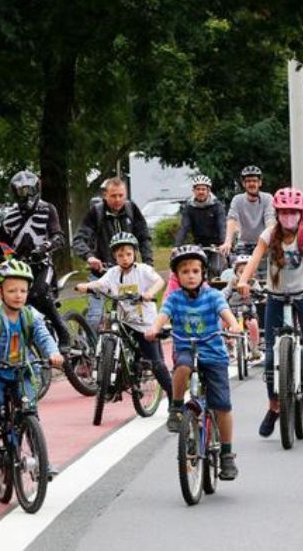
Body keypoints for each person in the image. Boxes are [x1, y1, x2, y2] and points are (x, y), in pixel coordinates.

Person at [237, 188, 303, 434]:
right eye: (283, 213)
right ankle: (274, 407)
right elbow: (254, 259)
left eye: (293, 213)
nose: (288, 217)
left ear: (300, 214)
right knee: (272, 356)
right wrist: (243, 280)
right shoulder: (269, 235)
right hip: (275, 297)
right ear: (277, 213)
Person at [146, 246, 243, 480]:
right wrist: (154, 328)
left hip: (213, 353)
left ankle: (227, 455)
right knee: (183, 367)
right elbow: (163, 315)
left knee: (222, 406)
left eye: (195, 271)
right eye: (185, 271)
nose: (190, 275)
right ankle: (177, 407)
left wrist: (233, 325)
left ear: (203, 274)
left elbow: (225, 312)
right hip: (186, 348)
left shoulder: (213, 296)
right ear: (177, 276)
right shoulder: (175, 298)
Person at [75, 233, 175, 429]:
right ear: (115, 257)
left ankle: (174, 399)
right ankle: (111, 377)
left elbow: (159, 282)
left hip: (144, 324)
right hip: (125, 322)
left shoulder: (143, 270)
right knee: (109, 330)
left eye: (128, 254)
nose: (125, 258)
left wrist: (148, 294)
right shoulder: (113, 273)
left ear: (134, 254)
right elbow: (101, 284)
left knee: (156, 363)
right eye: (120, 255)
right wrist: (86, 286)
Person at [0, 260, 63, 460]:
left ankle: (40, 459)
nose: (18, 295)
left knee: (30, 407)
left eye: (23, 290)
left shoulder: (31, 315)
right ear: (0, 292)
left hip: (23, 371)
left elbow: (44, 337)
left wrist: (53, 353)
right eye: (12, 291)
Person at [0, 170, 71, 354]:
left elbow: (59, 237)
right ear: (14, 193)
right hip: (19, 270)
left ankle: (63, 331)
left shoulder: (47, 209)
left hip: (44, 266)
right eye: (21, 191)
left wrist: (44, 248)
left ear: (37, 188)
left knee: (38, 294)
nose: (26, 195)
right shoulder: (9, 218)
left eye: (29, 190)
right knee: (12, 301)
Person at [73, 177, 154, 331]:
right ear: (105, 195)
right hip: (102, 274)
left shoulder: (132, 210)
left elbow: (144, 238)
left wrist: (148, 265)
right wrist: (89, 256)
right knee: (96, 316)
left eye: (121, 195)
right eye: (113, 196)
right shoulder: (96, 213)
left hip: (130, 273)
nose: (118, 199)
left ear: (126, 194)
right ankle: (91, 351)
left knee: (135, 317)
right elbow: (78, 239)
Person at [219, 165, 276, 258]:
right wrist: (228, 242)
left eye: (254, 181)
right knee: (240, 269)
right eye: (248, 181)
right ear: (243, 184)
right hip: (244, 244)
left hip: (263, 243)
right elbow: (231, 220)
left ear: (260, 183)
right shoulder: (237, 200)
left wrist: (269, 239)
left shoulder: (267, 198)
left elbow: (270, 220)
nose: (251, 184)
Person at [219, 254, 262, 361]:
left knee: (253, 325)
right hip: (232, 312)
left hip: (248, 313)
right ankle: (226, 344)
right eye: (241, 272)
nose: (244, 275)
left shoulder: (253, 283)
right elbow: (225, 292)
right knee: (220, 323)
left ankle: (254, 348)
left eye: (247, 272)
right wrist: (219, 297)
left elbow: (260, 293)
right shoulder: (233, 282)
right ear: (236, 273)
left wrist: (261, 295)